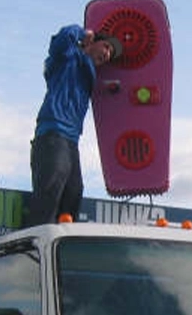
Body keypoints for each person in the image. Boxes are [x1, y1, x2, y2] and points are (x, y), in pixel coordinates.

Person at [28, 24, 123, 226]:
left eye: (110, 54)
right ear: (92, 42)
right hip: (53, 132)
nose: (107, 54)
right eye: (106, 46)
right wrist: (83, 32)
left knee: (74, 191)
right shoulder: (66, 58)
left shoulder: (89, 74)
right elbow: (60, 40)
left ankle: (61, 243)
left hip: (71, 140)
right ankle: (37, 236)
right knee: (51, 188)